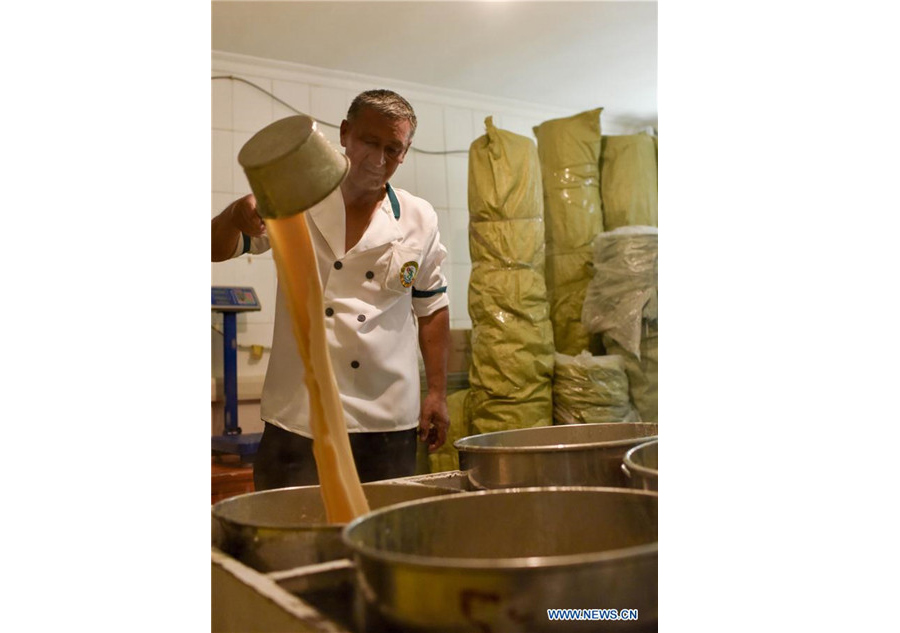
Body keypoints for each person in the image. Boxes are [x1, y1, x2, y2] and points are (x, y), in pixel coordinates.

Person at [211, 89, 451, 490]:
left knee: (382, 537)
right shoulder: (296, 198)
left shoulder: (418, 217)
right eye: (369, 142)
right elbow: (215, 249)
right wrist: (235, 215)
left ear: (405, 153)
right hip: (298, 415)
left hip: (386, 418)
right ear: (345, 134)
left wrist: (438, 393)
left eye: (392, 149)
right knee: (286, 538)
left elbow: (432, 309)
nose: (378, 160)